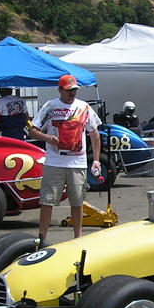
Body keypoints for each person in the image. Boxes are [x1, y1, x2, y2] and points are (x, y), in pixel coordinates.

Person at [29, 74, 102, 240]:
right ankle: (42, 239)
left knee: (77, 202)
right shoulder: (51, 106)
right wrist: (48, 138)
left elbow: (95, 134)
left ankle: (78, 238)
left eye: (75, 90)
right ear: (60, 90)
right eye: (69, 90)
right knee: (47, 201)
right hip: (54, 163)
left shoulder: (84, 107)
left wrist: (96, 160)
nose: (73, 93)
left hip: (78, 163)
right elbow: (33, 130)